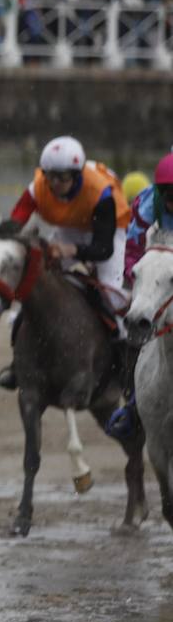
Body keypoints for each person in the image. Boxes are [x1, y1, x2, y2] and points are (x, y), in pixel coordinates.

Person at [0, 136, 132, 401]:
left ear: (77, 175)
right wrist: (5, 234)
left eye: (63, 178)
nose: (55, 184)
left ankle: (124, 362)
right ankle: (18, 363)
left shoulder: (101, 192)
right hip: (70, 227)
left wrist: (73, 251)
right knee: (36, 283)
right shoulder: (37, 188)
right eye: (50, 177)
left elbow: (104, 249)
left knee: (113, 295)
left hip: (107, 233)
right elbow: (16, 222)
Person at [110, 152, 173, 436]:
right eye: (167, 193)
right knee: (134, 324)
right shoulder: (148, 202)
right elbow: (134, 247)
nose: (172, 201)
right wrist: (135, 280)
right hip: (157, 264)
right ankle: (134, 404)